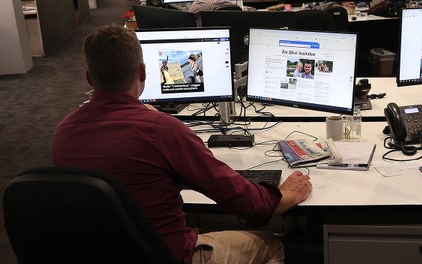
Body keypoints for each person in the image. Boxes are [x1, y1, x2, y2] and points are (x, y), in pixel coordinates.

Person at [51, 25, 312, 264]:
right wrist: (284, 194)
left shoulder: (63, 133)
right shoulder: (160, 130)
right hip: (169, 256)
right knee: (271, 245)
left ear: (88, 78)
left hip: (101, 255)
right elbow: (242, 201)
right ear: (143, 71)